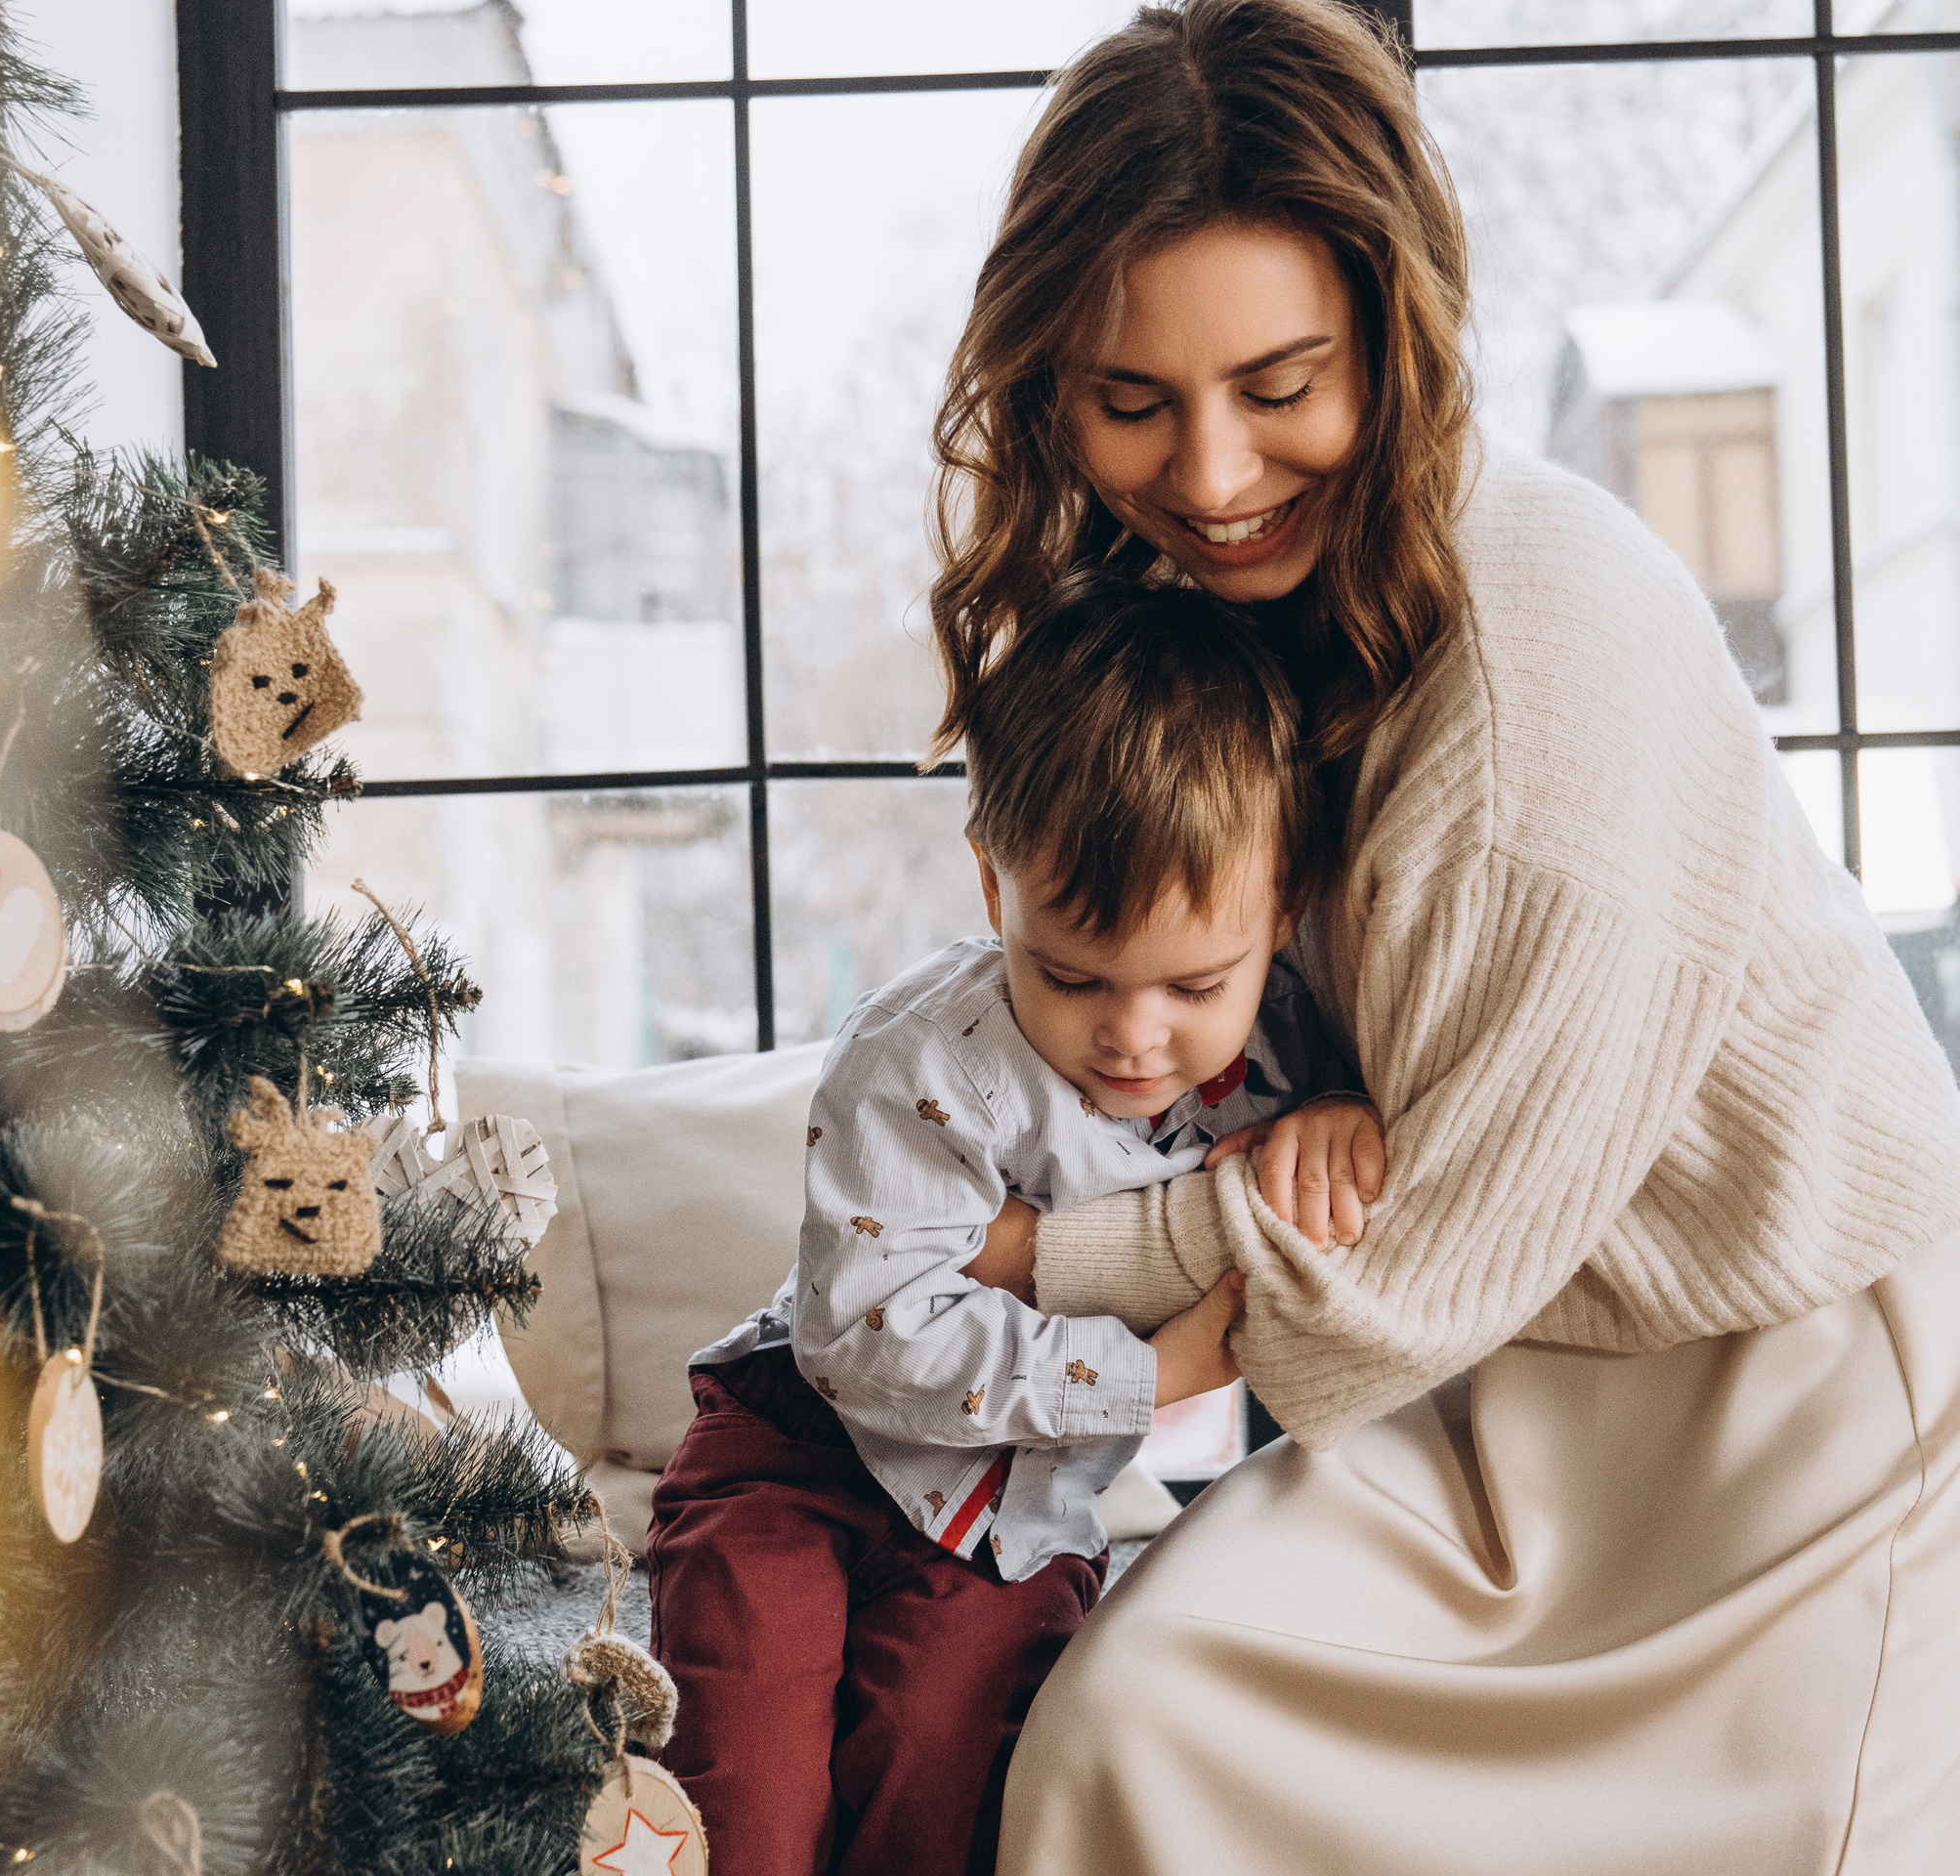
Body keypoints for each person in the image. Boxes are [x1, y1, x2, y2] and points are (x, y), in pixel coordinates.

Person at [922, 4, 1960, 1870]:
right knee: (1121, 1732)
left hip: (1794, 1420)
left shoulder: (1536, 688)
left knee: (1145, 1724)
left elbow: (1383, 1282)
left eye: (1282, 385)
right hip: (1492, 1382)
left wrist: (1023, 1259)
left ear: (1395, 338)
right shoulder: (1226, 619)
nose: (1215, 478)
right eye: (1133, 402)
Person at [647, 573, 1385, 1876]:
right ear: (995, 890)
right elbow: (871, 1333)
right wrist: (1152, 1376)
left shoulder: (1297, 1043)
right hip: (801, 1453)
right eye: (1074, 975)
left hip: (1015, 1514)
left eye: (1195, 984)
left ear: (1287, 905)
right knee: (747, 1806)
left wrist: (1332, 1104)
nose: (1134, 1034)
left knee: (947, 1796)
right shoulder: (921, 1055)